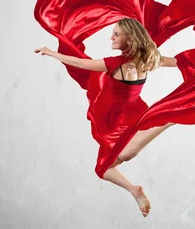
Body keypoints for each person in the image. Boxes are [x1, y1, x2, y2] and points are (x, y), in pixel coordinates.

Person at [34, 17, 178, 217]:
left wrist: (52, 53)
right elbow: (177, 62)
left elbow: (78, 62)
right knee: (104, 168)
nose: (111, 37)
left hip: (118, 118)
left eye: (116, 34)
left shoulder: (116, 63)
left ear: (130, 38)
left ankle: (170, 118)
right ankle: (134, 189)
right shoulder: (149, 60)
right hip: (130, 112)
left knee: (114, 161)